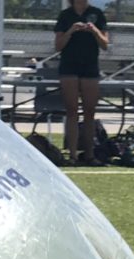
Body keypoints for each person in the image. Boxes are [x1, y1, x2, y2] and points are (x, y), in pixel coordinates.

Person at [53, 0, 109, 165]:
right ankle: (72, 155)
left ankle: (90, 154)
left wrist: (94, 30)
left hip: (90, 66)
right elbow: (58, 45)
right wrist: (71, 30)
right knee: (71, 111)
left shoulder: (97, 13)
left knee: (89, 112)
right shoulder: (65, 15)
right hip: (69, 66)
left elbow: (105, 44)